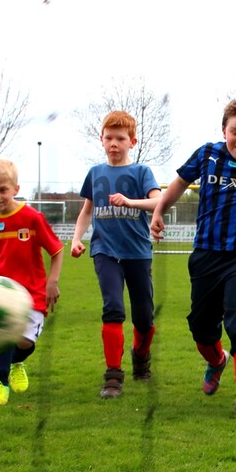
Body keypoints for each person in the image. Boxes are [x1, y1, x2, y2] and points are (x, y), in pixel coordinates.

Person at [150, 93, 236, 417]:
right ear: (224, 130)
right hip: (206, 255)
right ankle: (217, 360)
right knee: (201, 327)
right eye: (235, 131)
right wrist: (158, 211)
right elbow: (179, 184)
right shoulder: (207, 154)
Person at [71, 110, 161, 399]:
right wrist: (76, 239)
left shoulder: (141, 172)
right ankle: (113, 376)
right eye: (109, 137)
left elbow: (158, 201)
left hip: (138, 253)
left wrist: (130, 202)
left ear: (132, 141)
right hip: (105, 251)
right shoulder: (95, 173)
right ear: (101, 139)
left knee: (144, 318)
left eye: (120, 138)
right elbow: (87, 211)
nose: (114, 143)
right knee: (113, 309)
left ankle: (141, 356)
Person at [0, 158, 64, 405]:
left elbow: (56, 251)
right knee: (2, 334)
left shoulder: (32, 218)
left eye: (2, 190)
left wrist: (52, 282)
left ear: (15, 189)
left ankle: (16, 362)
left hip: (32, 293)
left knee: (24, 341)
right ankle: (0, 384)